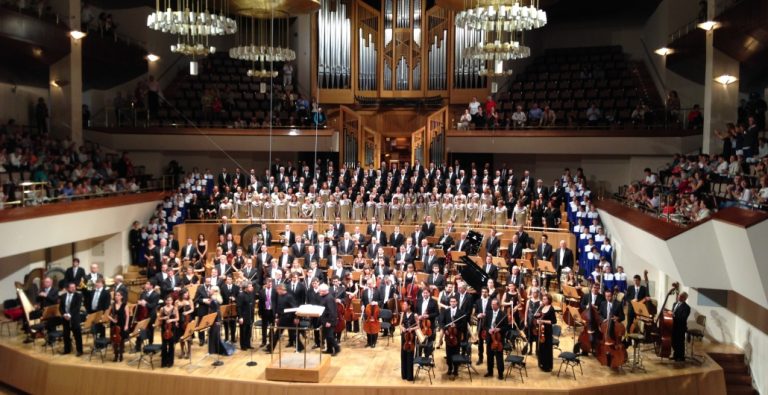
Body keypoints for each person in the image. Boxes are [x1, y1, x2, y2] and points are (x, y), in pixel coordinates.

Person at [439, 296, 467, 377]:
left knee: (456, 352)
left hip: (456, 335)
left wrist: (456, 326)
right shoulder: (446, 311)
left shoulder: (461, 312)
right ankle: (450, 368)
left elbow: (464, 324)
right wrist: (445, 329)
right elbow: (442, 322)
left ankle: (455, 369)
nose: (452, 303)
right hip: (448, 335)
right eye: (451, 301)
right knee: (448, 353)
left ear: (457, 302)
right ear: (449, 303)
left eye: (454, 301)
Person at [273, 284, 304, 352]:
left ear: (281, 289)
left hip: (290, 319)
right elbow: (279, 308)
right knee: (277, 334)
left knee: (294, 335)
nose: (277, 291)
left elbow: (295, 308)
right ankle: (270, 348)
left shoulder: (289, 297)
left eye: (277, 290)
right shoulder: (280, 296)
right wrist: (277, 317)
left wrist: (296, 318)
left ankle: (300, 347)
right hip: (283, 318)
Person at [484, 299, 507, 380]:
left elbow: (506, 327)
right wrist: (488, 330)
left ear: (498, 305)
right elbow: (485, 325)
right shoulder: (488, 313)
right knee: (489, 355)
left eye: (494, 304)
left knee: (499, 356)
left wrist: (499, 329)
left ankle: (500, 373)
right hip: (490, 337)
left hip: (498, 338)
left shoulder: (503, 314)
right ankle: (490, 371)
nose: (492, 306)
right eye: (491, 304)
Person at [60, 282, 83, 356]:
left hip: (74, 318)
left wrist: (70, 315)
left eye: (74, 287)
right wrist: (64, 314)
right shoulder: (63, 296)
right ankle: (67, 350)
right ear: (67, 288)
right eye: (71, 287)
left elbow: (77, 307)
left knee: (77, 335)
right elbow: (61, 307)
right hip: (65, 318)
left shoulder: (78, 296)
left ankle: (79, 350)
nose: (73, 288)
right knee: (66, 335)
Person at [536, 294, 557, 372]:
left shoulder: (551, 309)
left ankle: (547, 366)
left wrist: (543, 321)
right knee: (541, 347)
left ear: (549, 300)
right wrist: (538, 318)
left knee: (547, 348)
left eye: (545, 299)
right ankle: (541, 363)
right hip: (541, 330)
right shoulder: (542, 307)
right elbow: (540, 316)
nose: (543, 300)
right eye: (543, 299)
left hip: (547, 331)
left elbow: (554, 321)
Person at [319, 284, 340, 355]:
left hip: (329, 321)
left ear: (325, 291)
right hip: (325, 320)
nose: (319, 292)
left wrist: (329, 322)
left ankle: (337, 348)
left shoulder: (329, 298)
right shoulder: (324, 297)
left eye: (320, 291)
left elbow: (332, 311)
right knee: (326, 336)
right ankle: (329, 349)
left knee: (330, 336)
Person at [108, 290, 129, 362]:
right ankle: (116, 355)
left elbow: (127, 316)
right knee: (114, 340)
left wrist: (126, 325)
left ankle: (121, 355)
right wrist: (112, 319)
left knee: (121, 340)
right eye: (116, 295)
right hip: (114, 325)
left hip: (122, 324)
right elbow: (107, 314)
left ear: (121, 297)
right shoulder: (112, 305)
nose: (116, 296)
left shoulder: (125, 305)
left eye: (118, 295)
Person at [158, 296, 179, 368]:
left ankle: (170, 362)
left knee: (171, 346)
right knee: (164, 346)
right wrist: (163, 318)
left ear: (172, 301)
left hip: (172, 329)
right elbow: (159, 318)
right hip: (164, 328)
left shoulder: (175, 308)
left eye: (170, 300)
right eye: (167, 300)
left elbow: (177, 318)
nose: (169, 302)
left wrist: (171, 320)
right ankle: (164, 362)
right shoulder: (162, 309)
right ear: (165, 301)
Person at [399, 300, 417, 381]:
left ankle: (410, 376)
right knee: (403, 355)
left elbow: (418, 326)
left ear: (409, 306)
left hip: (411, 337)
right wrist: (402, 328)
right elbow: (400, 324)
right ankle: (404, 375)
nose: (403, 306)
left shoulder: (414, 315)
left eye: (405, 304)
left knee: (410, 355)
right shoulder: (403, 314)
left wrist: (412, 329)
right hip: (404, 337)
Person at [672, 291, 691, 362]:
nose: (679, 297)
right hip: (673, 325)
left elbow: (683, 318)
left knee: (680, 342)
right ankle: (675, 355)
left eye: (681, 296)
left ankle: (681, 357)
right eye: (679, 295)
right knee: (673, 341)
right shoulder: (674, 304)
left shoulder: (687, 307)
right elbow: (672, 312)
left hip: (680, 327)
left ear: (685, 298)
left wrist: (674, 316)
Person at [237, 282, 256, 350]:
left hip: (250, 316)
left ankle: (248, 344)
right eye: (250, 286)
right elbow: (239, 307)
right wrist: (240, 317)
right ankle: (243, 346)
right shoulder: (241, 295)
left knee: (249, 331)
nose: (252, 287)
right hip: (244, 317)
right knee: (243, 331)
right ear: (245, 288)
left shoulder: (251, 294)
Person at [259, 279, 277, 349]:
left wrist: (277, 313)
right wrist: (260, 312)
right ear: (265, 284)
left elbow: (277, 302)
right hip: (264, 311)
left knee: (272, 327)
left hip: (272, 311)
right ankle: (264, 341)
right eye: (268, 283)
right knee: (264, 327)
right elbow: (260, 303)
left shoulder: (275, 291)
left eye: (271, 283)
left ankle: (271, 341)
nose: (270, 284)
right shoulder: (262, 291)